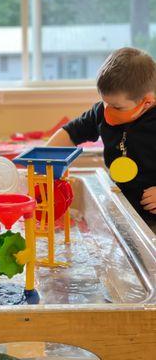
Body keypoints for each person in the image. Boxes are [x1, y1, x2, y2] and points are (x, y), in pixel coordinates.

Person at [47, 47, 156, 230]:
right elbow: (70, 133)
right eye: (105, 102)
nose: (106, 110)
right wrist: (42, 162)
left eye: (116, 106)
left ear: (147, 101)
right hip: (123, 208)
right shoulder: (101, 112)